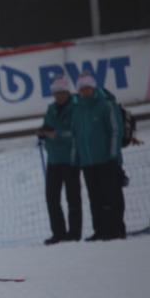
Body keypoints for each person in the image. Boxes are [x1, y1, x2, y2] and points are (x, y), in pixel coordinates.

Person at [70, 73, 125, 241]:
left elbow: (116, 130)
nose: (85, 91)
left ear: (93, 88)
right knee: (95, 197)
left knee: (111, 195)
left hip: (106, 160)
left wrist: (112, 155)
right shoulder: (77, 109)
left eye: (87, 88)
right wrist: (75, 159)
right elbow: (75, 135)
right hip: (88, 162)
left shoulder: (105, 105)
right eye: (82, 89)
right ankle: (100, 229)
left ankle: (116, 229)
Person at [37, 75, 82, 244]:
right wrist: (42, 132)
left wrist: (57, 134)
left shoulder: (76, 107)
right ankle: (58, 232)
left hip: (71, 159)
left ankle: (75, 233)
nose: (59, 96)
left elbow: (76, 132)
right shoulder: (52, 109)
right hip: (54, 159)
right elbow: (47, 126)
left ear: (67, 92)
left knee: (73, 197)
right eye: (56, 93)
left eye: (61, 92)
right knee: (52, 197)